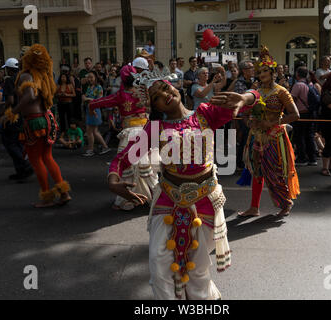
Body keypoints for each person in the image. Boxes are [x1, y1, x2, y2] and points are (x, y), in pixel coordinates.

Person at [108, 78, 260, 299]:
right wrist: (113, 179)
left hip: (205, 199)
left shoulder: (205, 113)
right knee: (158, 264)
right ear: (155, 107)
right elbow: (122, 158)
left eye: (165, 88)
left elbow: (255, 96)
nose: (165, 95)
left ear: (174, 86)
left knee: (198, 268)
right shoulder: (155, 128)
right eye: (157, 97)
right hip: (168, 199)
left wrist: (246, 98)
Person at [238, 46, 300, 218]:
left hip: (274, 136)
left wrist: (272, 122)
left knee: (274, 171)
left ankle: (286, 202)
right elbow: (246, 112)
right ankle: (254, 207)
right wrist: (249, 121)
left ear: (273, 72)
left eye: (265, 70)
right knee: (257, 171)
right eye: (259, 70)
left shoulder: (281, 91)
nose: (261, 73)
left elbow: (295, 115)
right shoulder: (255, 92)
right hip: (256, 136)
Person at [89, 65, 159, 211]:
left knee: (126, 167)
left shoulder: (121, 95)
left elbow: (101, 102)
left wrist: (91, 106)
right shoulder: (143, 90)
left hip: (131, 133)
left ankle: (127, 199)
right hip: (146, 131)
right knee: (147, 167)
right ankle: (156, 198)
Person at [14, 44, 71, 208]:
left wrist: (12, 112)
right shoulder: (44, 74)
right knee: (47, 157)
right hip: (47, 117)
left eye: (22, 56)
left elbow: (29, 97)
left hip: (34, 120)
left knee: (36, 160)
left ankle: (47, 197)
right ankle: (64, 192)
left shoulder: (26, 75)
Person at [0, 57, 34, 181]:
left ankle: (25, 166)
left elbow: (10, 100)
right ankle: (21, 171)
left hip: (12, 115)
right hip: (22, 114)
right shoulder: (24, 78)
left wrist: (2, 110)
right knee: (17, 143)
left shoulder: (9, 81)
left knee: (10, 143)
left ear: (8, 69)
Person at [291, 66, 317, 166]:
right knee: (309, 136)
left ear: (297, 74)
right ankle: (312, 158)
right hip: (310, 113)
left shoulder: (298, 85)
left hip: (301, 113)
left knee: (299, 136)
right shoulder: (310, 84)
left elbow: (291, 100)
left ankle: (302, 158)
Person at [82, 71, 110, 157]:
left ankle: (91, 149)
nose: (90, 79)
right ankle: (103, 147)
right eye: (89, 77)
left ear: (95, 78)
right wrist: (88, 99)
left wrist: (88, 99)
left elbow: (98, 99)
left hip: (95, 110)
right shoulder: (89, 87)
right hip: (89, 109)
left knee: (91, 131)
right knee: (93, 131)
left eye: (91, 77)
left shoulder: (99, 87)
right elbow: (84, 97)